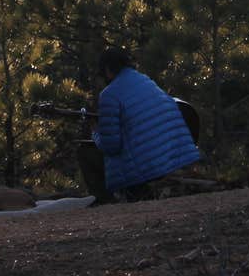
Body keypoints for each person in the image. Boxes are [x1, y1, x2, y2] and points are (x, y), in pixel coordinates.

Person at [77, 47, 200, 204]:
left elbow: (111, 147)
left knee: (84, 152)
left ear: (107, 69)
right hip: (176, 158)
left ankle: (106, 202)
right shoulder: (146, 81)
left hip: (147, 170)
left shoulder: (109, 95)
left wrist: (95, 132)